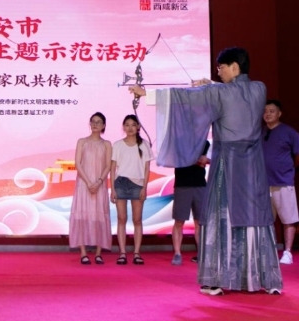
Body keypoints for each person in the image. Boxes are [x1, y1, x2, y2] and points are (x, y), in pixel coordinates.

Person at [130, 46, 283, 295]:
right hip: (253, 166)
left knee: (222, 216)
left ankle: (216, 279)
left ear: (234, 67)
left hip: (228, 164)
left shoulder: (218, 92)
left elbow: (187, 97)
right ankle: (265, 279)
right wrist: (212, 85)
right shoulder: (259, 89)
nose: (218, 71)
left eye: (221, 67)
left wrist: (147, 93)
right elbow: (236, 93)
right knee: (255, 216)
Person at [110, 115, 154, 265]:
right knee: (121, 219)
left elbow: (147, 168)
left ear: (138, 127)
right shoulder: (117, 145)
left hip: (138, 184)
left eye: (133, 125)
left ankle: (136, 253)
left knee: (137, 219)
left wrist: (144, 188)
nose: (130, 128)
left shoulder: (144, 145)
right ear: (123, 127)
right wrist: (112, 189)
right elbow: (112, 168)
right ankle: (122, 253)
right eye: (127, 125)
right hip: (121, 183)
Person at [69, 112, 112, 265]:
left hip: (99, 185)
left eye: (99, 122)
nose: (95, 124)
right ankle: (83, 253)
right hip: (83, 184)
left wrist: (98, 182)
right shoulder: (82, 142)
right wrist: (88, 182)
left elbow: (108, 165)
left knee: (100, 216)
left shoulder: (107, 144)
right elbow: (78, 163)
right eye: (93, 121)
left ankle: (99, 253)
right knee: (82, 216)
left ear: (104, 125)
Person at [262, 99, 299, 265]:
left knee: (288, 218)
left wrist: (288, 169)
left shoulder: (289, 132)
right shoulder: (261, 133)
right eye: (265, 111)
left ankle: (288, 252)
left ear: (279, 113)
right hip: (263, 184)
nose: (268, 114)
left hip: (283, 181)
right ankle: (268, 251)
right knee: (266, 220)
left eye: (272, 111)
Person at [171, 141, 210, 266]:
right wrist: (198, 160)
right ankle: (177, 253)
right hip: (182, 185)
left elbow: (210, 159)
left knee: (200, 222)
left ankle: (201, 254)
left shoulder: (205, 143)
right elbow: (179, 158)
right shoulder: (179, 141)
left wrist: (205, 160)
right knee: (179, 221)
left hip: (200, 184)